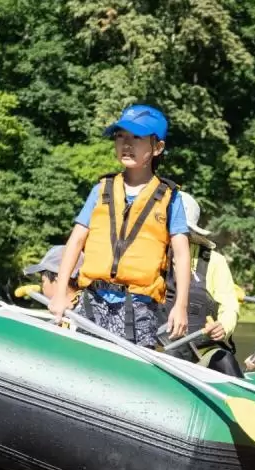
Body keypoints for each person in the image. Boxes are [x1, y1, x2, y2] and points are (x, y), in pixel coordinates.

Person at [50, 105, 190, 348]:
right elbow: (75, 242)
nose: (126, 144)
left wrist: (181, 306)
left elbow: (181, 254)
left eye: (137, 137)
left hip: (139, 306)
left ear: (158, 148)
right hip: (92, 298)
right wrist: (61, 293)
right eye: (120, 136)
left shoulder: (170, 198)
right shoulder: (101, 190)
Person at [158, 191, 243, 377]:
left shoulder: (215, 261)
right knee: (171, 353)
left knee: (225, 359)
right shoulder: (150, 257)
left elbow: (229, 306)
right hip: (159, 351)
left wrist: (223, 327)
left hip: (202, 352)